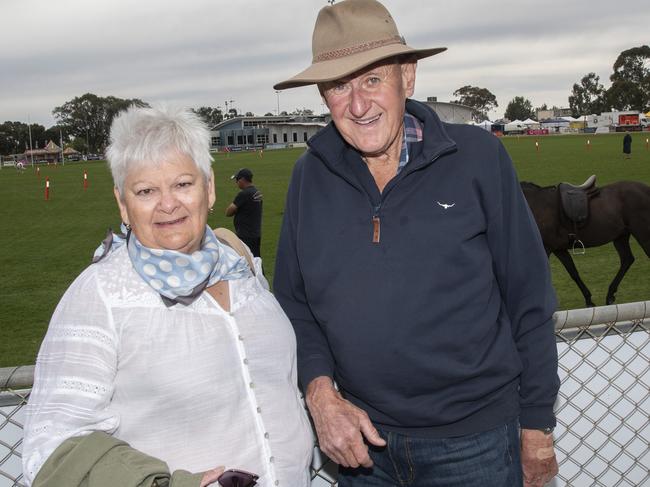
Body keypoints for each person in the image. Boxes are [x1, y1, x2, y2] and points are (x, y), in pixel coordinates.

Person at [272, 1, 559, 486]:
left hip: (476, 444)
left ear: (408, 77)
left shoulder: (478, 158)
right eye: (339, 86)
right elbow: (295, 306)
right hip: (361, 449)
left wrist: (537, 429)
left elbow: (529, 299)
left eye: (371, 79)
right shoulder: (308, 177)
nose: (358, 105)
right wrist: (320, 396)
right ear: (323, 96)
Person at [21, 106, 313, 487]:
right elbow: (50, 444)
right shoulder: (102, 295)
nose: (168, 203)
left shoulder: (238, 263)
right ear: (123, 204)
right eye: (145, 191)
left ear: (208, 189)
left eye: (182, 184)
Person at [225, 168, 263, 257]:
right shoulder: (257, 192)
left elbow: (228, 212)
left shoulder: (244, 194)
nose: (236, 182)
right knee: (256, 258)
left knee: (248, 260)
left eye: (237, 180)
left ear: (242, 180)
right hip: (255, 232)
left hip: (245, 234)